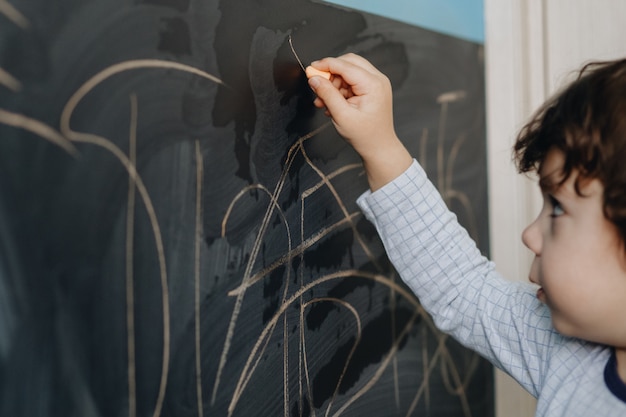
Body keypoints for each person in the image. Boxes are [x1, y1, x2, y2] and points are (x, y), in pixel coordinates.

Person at [305, 53, 626, 416]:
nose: (530, 235)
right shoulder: (574, 356)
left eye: (557, 208)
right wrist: (379, 145)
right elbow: (463, 288)